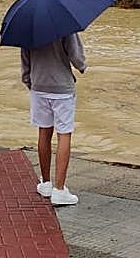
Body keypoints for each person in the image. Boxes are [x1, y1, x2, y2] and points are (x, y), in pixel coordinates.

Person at [22, 33, 86, 206]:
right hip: (62, 88)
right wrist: (82, 66)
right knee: (64, 134)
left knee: (44, 132)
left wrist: (28, 80)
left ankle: (45, 183)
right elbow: (76, 56)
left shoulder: (28, 27)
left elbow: (25, 59)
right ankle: (59, 189)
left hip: (38, 86)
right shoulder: (65, 27)